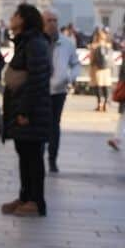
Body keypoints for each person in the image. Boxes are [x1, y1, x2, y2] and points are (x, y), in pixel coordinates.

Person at [1, 4, 52, 216]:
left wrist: (25, 111)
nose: (11, 18)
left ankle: (36, 201)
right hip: (22, 107)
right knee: (24, 153)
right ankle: (24, 196)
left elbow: (37, 79)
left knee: (33, 156)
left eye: (14, 15)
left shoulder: (35, 43)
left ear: (23, 19)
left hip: (31, 110)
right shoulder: (26, 42)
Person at [43, 9, 80, 173]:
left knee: (54, 124)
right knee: (40, 124)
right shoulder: (37, 41)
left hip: (58, 90)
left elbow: (76, 63)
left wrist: (70, 77)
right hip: (40, 90)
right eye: (49, 20)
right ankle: (37, 154)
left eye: (55, 20)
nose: (52, 24)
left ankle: (52, 158)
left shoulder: (66, 43)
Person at [89, 27, 114, 112]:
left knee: (98, 87)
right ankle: (106, 104)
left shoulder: (94, 46)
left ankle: (99, 104)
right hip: (106, 69)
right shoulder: (108, 45)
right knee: (106, 87)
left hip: (97, 69)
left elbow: (91, 58)